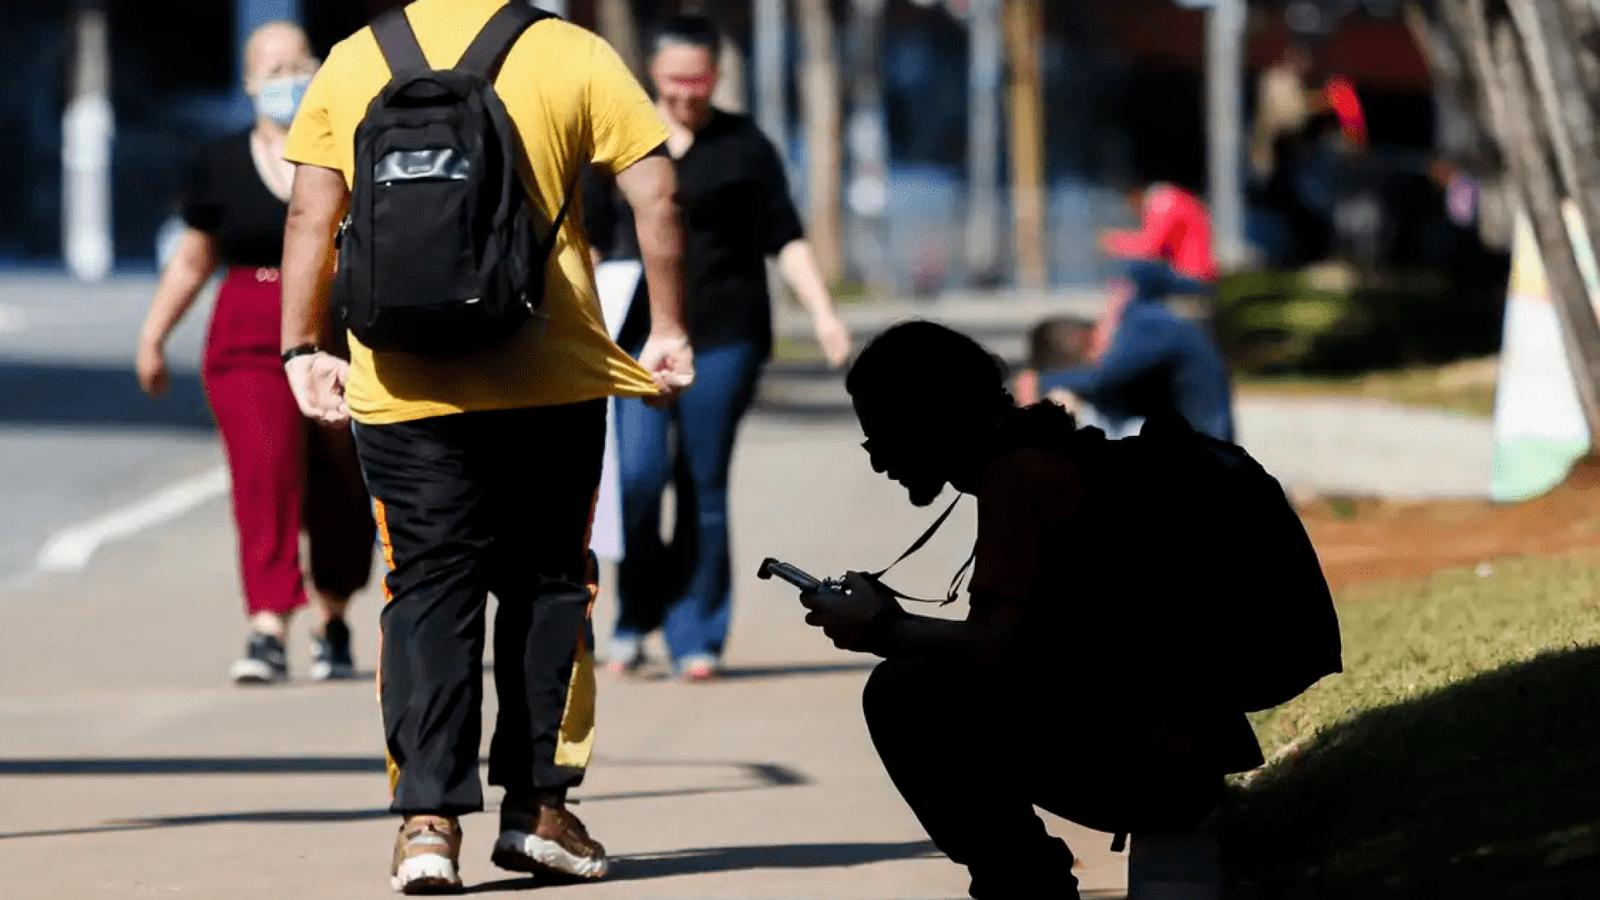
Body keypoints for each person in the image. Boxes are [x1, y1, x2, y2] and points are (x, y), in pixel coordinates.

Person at [277, 0, 695, 892]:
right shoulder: (572, 52)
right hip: (552, 373)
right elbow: (656, 190)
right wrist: (666, 326)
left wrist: (302, 347)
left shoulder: (355, 59)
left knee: (426, 589)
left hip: (400, 381)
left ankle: (427, 825)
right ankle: (539, 809)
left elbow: (311, 214)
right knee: (551, 583)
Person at [798, 321, 1264, 900]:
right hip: (1173, 749)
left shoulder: (1019, 477)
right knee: (919, 682)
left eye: (883, 439)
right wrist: (892, 623)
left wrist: (883, 629)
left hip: (1160, 766)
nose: (878, 464)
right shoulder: (1036, 454)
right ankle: (1023, 877)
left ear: (932, 419)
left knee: (904, 694)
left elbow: (992, 647)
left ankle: (1022, 884)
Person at [585, 14, 852, 682]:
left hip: (724, 337)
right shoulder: (621, 137)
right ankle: (633, 618)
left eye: (698, 80)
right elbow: (587, 238)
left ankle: (696, 632)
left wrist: (824, 314)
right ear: (652, 74)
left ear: (716, 76)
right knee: (639, 480)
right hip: (636, 340)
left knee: (702, 484)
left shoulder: (743, 146)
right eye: (674, 80)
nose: (685, 93)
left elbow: (783, 236)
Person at [135, 21, 375, 685]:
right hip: (247, 332)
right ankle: (268, 621)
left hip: (337, 326)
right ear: (247, 84)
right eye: (272, 71)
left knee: (344, 480)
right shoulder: (219, 160)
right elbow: (192, 259)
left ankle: (333, 613)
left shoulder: (351, 151)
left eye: (298, 65)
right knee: (265, 471)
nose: (286, 82)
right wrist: (154, 335)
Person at [1016, 309, 1235, 443]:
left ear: (1087, 339)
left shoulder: (1138, 331)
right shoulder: (1136, 328)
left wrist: (1041, 382)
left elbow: (1104, 378)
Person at [1089, 176, 1221, 363]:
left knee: (1132, 277)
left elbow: (1150, 248)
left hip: (1192, 278)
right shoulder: (1181, 199)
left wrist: (1111, 241)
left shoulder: (1163, 200)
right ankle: (1109, 345)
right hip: (1192, 277)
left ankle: (1105, 348)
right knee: (1128, 282)